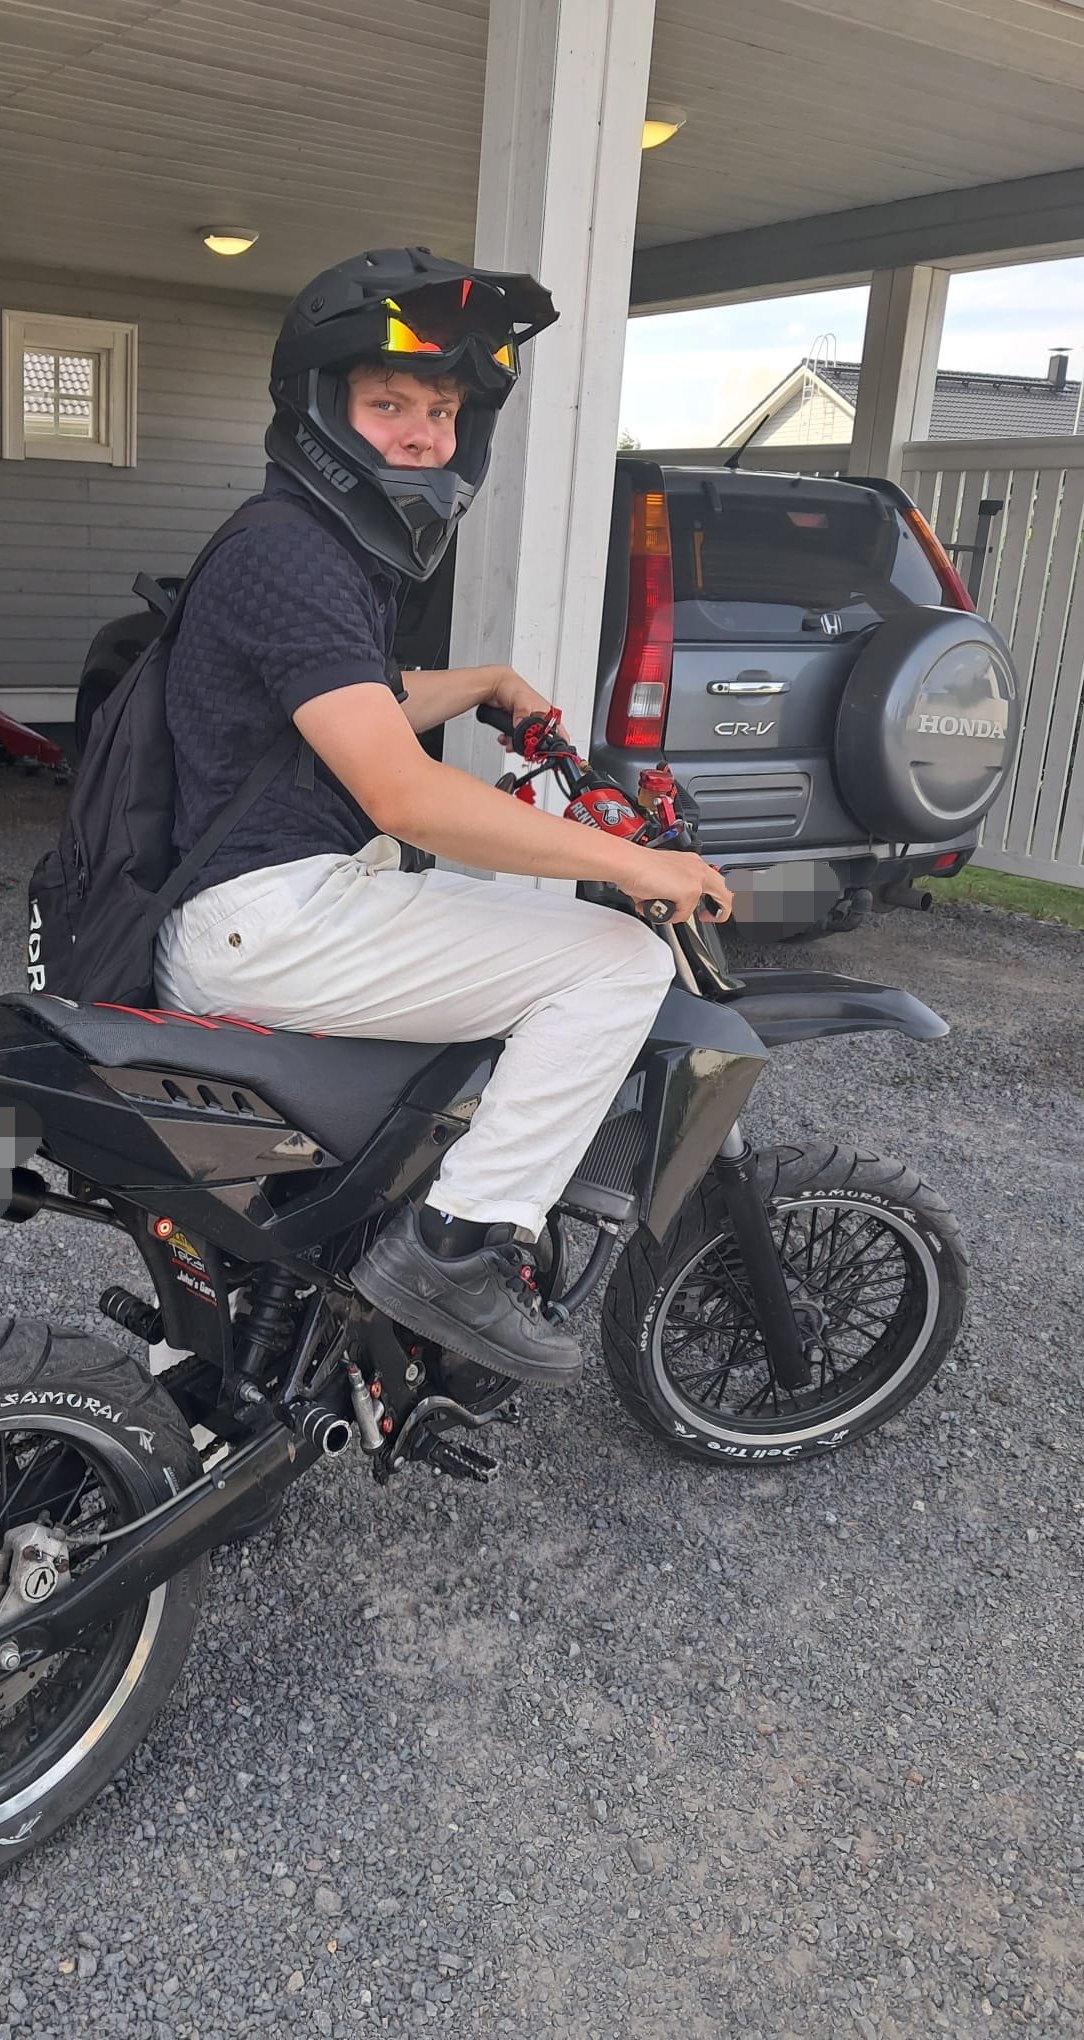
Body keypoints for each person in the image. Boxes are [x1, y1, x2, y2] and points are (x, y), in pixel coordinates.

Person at [157, 248, 732, 1385]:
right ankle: (456, 1251)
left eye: (443, 412)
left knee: (503, 925)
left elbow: (349, 704)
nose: (424, 437)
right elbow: (403, 793)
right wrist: (632, 863)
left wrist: (483, 684)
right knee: (614, 961)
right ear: (322, 409)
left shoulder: (304, 545)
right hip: (273, 916)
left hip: (261, 908)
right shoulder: (293, 553)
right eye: (391, 405)